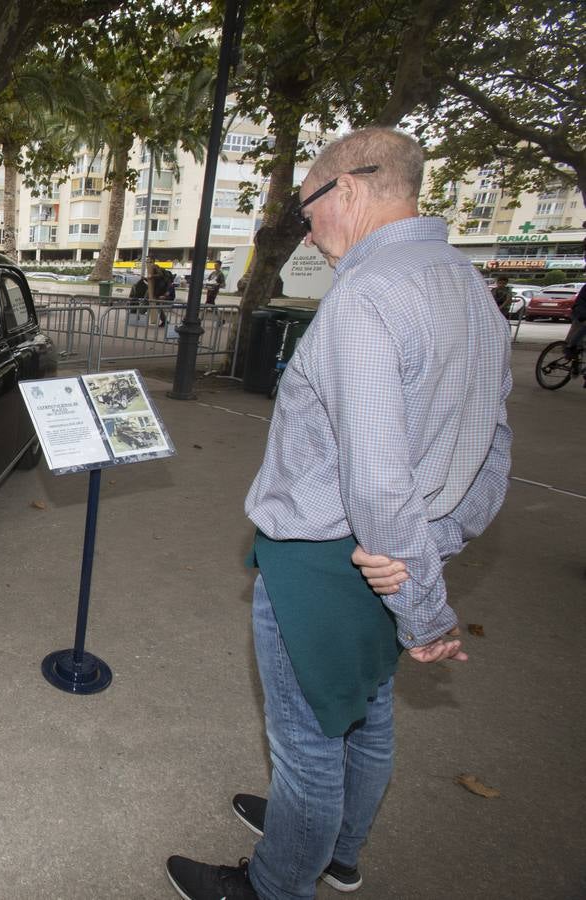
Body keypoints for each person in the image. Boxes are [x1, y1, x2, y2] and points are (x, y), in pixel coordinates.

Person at [166, 128, 512, 900]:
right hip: (394, 549)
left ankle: (276, 882)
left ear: (346, 190)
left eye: (306, 206)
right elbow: (492, 443)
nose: (306, 227)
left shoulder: (367, 296)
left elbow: (379, 479)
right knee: (366, 711)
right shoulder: (466, 284)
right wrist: (435, 545)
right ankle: (336, 850)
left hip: (331, 560)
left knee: (309, 743)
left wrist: (423, 608)